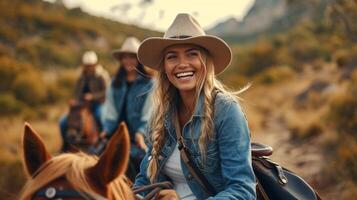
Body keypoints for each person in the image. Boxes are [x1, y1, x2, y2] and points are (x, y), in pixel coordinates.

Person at [134, 13, 256, 200]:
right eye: (172, 57)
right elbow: (145, 180)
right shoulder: (159, 115)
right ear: (164, 67)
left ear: (205, 61)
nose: (182, 64)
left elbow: (243, 191)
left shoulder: (226, 111)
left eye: (192, 54)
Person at [100, 37, 154, 180]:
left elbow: (149, 112)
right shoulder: (114, 82)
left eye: (132, 57)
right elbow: (110, 109)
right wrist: (107, 129)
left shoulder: (149, 83)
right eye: (125, 57)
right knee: (96, 155)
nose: (128, 61)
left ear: (138, 60)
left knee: (143, 163)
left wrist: (140, 132)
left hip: (138, 135)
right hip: (117, 132)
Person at [59, 50, 110, 151]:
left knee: (100, 116)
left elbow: (107, 92)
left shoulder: (102, 75)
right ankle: (65, 145)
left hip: (98, 103)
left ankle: (104, 142)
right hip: (82, 105)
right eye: (87, 65)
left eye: (91, 65)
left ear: (95, 64)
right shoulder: (80, 77)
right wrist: (75, 101)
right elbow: (77, 92)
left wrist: (92, 97)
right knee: (63, 121)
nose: (89, 67)